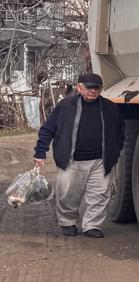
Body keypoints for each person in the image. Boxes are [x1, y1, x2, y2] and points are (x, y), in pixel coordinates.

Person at [34, 71, 123, 238]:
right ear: (79, 88)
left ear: (101, 89)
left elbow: (120, 133)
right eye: (89, 87)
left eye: (96, 88)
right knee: (68, 194)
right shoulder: (65, 106)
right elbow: (48, 129)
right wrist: (40, 152)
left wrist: (115, 153)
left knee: (100, 194)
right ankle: (67, 222)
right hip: (71, 160)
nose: (93, 91)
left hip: (100, 160)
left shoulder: (110, 108)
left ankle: (92, 226)